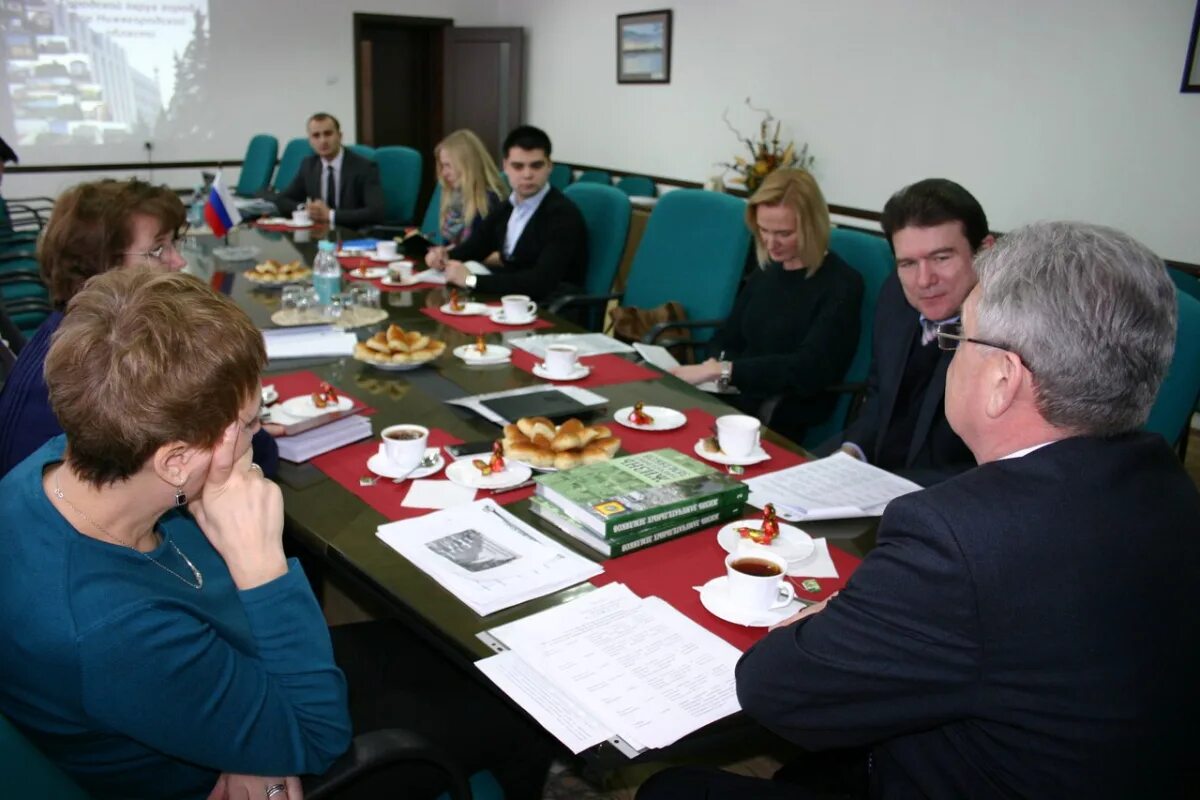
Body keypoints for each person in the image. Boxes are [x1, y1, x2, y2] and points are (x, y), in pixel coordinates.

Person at [638, 221, 1200, 799]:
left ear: (1002, 379)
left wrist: (823, 616)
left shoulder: (959, 536)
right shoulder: (1169, 487)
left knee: (670, 790)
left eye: (961, 340)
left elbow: (775, 690)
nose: (950, 356)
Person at [0, 269, 563, 800]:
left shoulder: (59, 466)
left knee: (475, 666)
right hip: (244, 762)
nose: (261, 431)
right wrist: (261, 564)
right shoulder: (109, 632)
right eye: (249, 423)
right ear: (174, 462)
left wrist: (243, 740)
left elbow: (192, 638)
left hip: (219, 686)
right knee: (522, 707)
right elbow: (317, 737)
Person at [0, 179, 279, 479]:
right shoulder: (110, 364)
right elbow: (257, 458)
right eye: (158, 249)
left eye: (174, 244)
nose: (178, 261)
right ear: (102, 266)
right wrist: (247, 428)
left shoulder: (69, 336)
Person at [670, 169, 862, 445]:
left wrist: (725, 371)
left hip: (783, 413)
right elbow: (727, 336)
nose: (771, 243)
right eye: (763, 230)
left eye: (784, 233)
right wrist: (718, 366)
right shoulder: (767, 270)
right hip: (737, 396)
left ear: (812, 227)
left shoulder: (842, 284)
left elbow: (809, 368)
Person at [823, 178, 993, 484]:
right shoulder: (895, 296)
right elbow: (879, 395)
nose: (924, 280)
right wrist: (852, 452)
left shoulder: (1010, 336)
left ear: (985, 253)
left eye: (941, 258)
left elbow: (998, 467)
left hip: (945, 497)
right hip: (872, 477)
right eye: (908, 263)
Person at [426, 124, 587, 301]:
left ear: (549, 166)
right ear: (505, 167)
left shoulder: (563, 215)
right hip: (509, 302)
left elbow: (540, 283)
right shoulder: (506, 209)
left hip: (549, 309)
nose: (527, 174)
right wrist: (442, 256)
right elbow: (474, 247)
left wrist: (471, 280)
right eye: (518, 166)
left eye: (536, 166)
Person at [274, 112, 385, 229]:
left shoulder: (364, 167)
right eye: (316, 136)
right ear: (310, 141)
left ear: (340, 136)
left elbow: (376, 212)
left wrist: (331, 215)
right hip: (318, 235)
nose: (323, 141)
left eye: (328, 134)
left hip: (352, 235)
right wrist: (305, 209)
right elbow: (282, 200)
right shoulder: (309, 165)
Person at [428, 128, 506, 247]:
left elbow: (488, 253)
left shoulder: (491, 201)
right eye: (442, 166)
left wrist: (450, 254)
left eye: (448, 165)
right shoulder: (454, 197)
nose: (444, 173)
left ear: (468, 165)